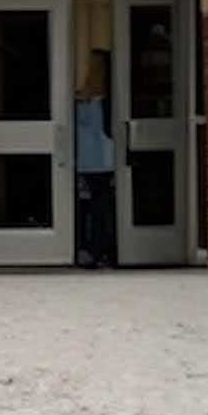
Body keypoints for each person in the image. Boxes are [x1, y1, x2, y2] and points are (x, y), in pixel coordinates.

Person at [74, 48, 117, 268]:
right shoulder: (88, 100)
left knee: (97, 210)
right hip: (92, 163)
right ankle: (95, 250)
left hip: (99, 163)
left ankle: (98, 250)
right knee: (94, 210)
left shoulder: (106, 102)